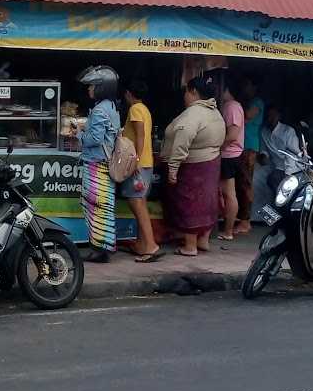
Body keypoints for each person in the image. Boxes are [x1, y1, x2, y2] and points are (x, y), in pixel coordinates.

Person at [161, 76, 226, 256]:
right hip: (211, 163)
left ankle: (190, 246)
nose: (184, 96)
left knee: (189, 202)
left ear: (194, 92)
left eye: (186, 92)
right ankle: (203, 240)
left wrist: (173, 168)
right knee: (207, 202)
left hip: (193, 166)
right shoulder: (215, 112)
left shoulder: (193, 113)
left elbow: (183, 139)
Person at [74, 65, 121, 263]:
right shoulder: (111, 106)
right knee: (104, 206)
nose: (89, 89)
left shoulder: (101, 110)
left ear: (102, 87)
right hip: (104, 164)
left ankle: (99, 249)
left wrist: (78, 134)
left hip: (96, 165)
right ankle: (105, 247)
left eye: (92, 86)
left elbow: (94, 138)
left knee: (95, 205)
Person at [121, 80, 162, 263]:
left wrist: (135, 159)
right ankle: (142, 243)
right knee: (141, 203)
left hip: (139, 163)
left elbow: (140, 135)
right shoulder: (144, 108)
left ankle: (151, 245)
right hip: (145, 162)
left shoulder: (135, 109)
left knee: (136, 203)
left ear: (129, 93)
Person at [235, 75, 265, 235]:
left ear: (254, 87)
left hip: (249, 147)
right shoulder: (249, 101)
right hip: (242, 146)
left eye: (247, 85)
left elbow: (246, 117)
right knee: (241, 183)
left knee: (246, 183)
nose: (244, 88)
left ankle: (245, 221)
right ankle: (242, 218)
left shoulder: (257, 102)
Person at [219, 74, 245, 241]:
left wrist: (217, 147)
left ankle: (228, 231)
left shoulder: (231, 106)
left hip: (229, 155)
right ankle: (226, 228)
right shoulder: (231, 106)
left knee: (229, 193)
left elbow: (232, 134)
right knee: (227, 193)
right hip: (231, 154)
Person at [260, 105, 302, 193]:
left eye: (274, 115)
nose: (271, 118)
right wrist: (264, 156)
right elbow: (264, 150)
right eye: (269, 116)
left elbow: (294, 154)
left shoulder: (288, 131)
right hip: (274, 165)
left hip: (291, 169)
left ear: (279, 116)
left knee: (275, 181)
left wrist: (287, 174)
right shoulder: (264, 131)